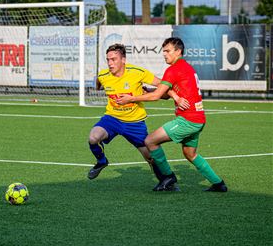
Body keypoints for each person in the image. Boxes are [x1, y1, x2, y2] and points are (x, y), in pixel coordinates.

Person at [116, 37, 227, 192]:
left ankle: (168, 177)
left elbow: (156, 96)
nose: (164, 54)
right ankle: (218, 184)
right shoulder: (186, 67)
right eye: (163, 51)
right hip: (198, 118)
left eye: (167, 51)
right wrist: (150, 91)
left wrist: (132, 98)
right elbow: (165, 94)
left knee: (150, 141)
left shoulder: (174, 69)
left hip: (188, 120)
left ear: (178, 51)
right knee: (190, 153)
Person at [88, 43, 185, 191]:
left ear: (123, 60)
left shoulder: (137, 72)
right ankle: (101, 161)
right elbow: (99, 81)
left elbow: (163, 84)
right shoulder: (103, 75)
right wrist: (98, 87)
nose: (110, 63)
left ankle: (166, 181)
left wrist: (176, 97)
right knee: (93, 138)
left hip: (135, 122)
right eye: (108, 60)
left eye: (114, 59)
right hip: (112, 118)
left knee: (150, 157)